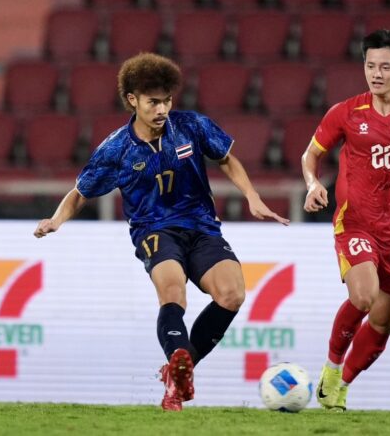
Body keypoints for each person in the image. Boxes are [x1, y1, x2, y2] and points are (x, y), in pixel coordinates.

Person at [34, 53, 289, 411]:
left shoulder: (192, 126)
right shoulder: (117, 148)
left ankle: (178, 372)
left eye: (167, 100)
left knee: (232, 294)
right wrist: (56, 220)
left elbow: (226, 159)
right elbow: (80, 193)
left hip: (201, 226)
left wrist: (252, 196)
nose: (162, 109)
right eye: (153, 102)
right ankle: (178, 367)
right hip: (154, 230)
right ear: (132, 100)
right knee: (173, 293)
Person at [302, 29, 390, 411]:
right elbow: (310, 156)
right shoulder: (346, 112)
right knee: (363, 295)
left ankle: (341, 386)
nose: (376, 74)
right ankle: (332, 367)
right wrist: (313, 184)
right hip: (356, 223)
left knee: (384, 319)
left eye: (385, 67)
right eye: (370, 65)